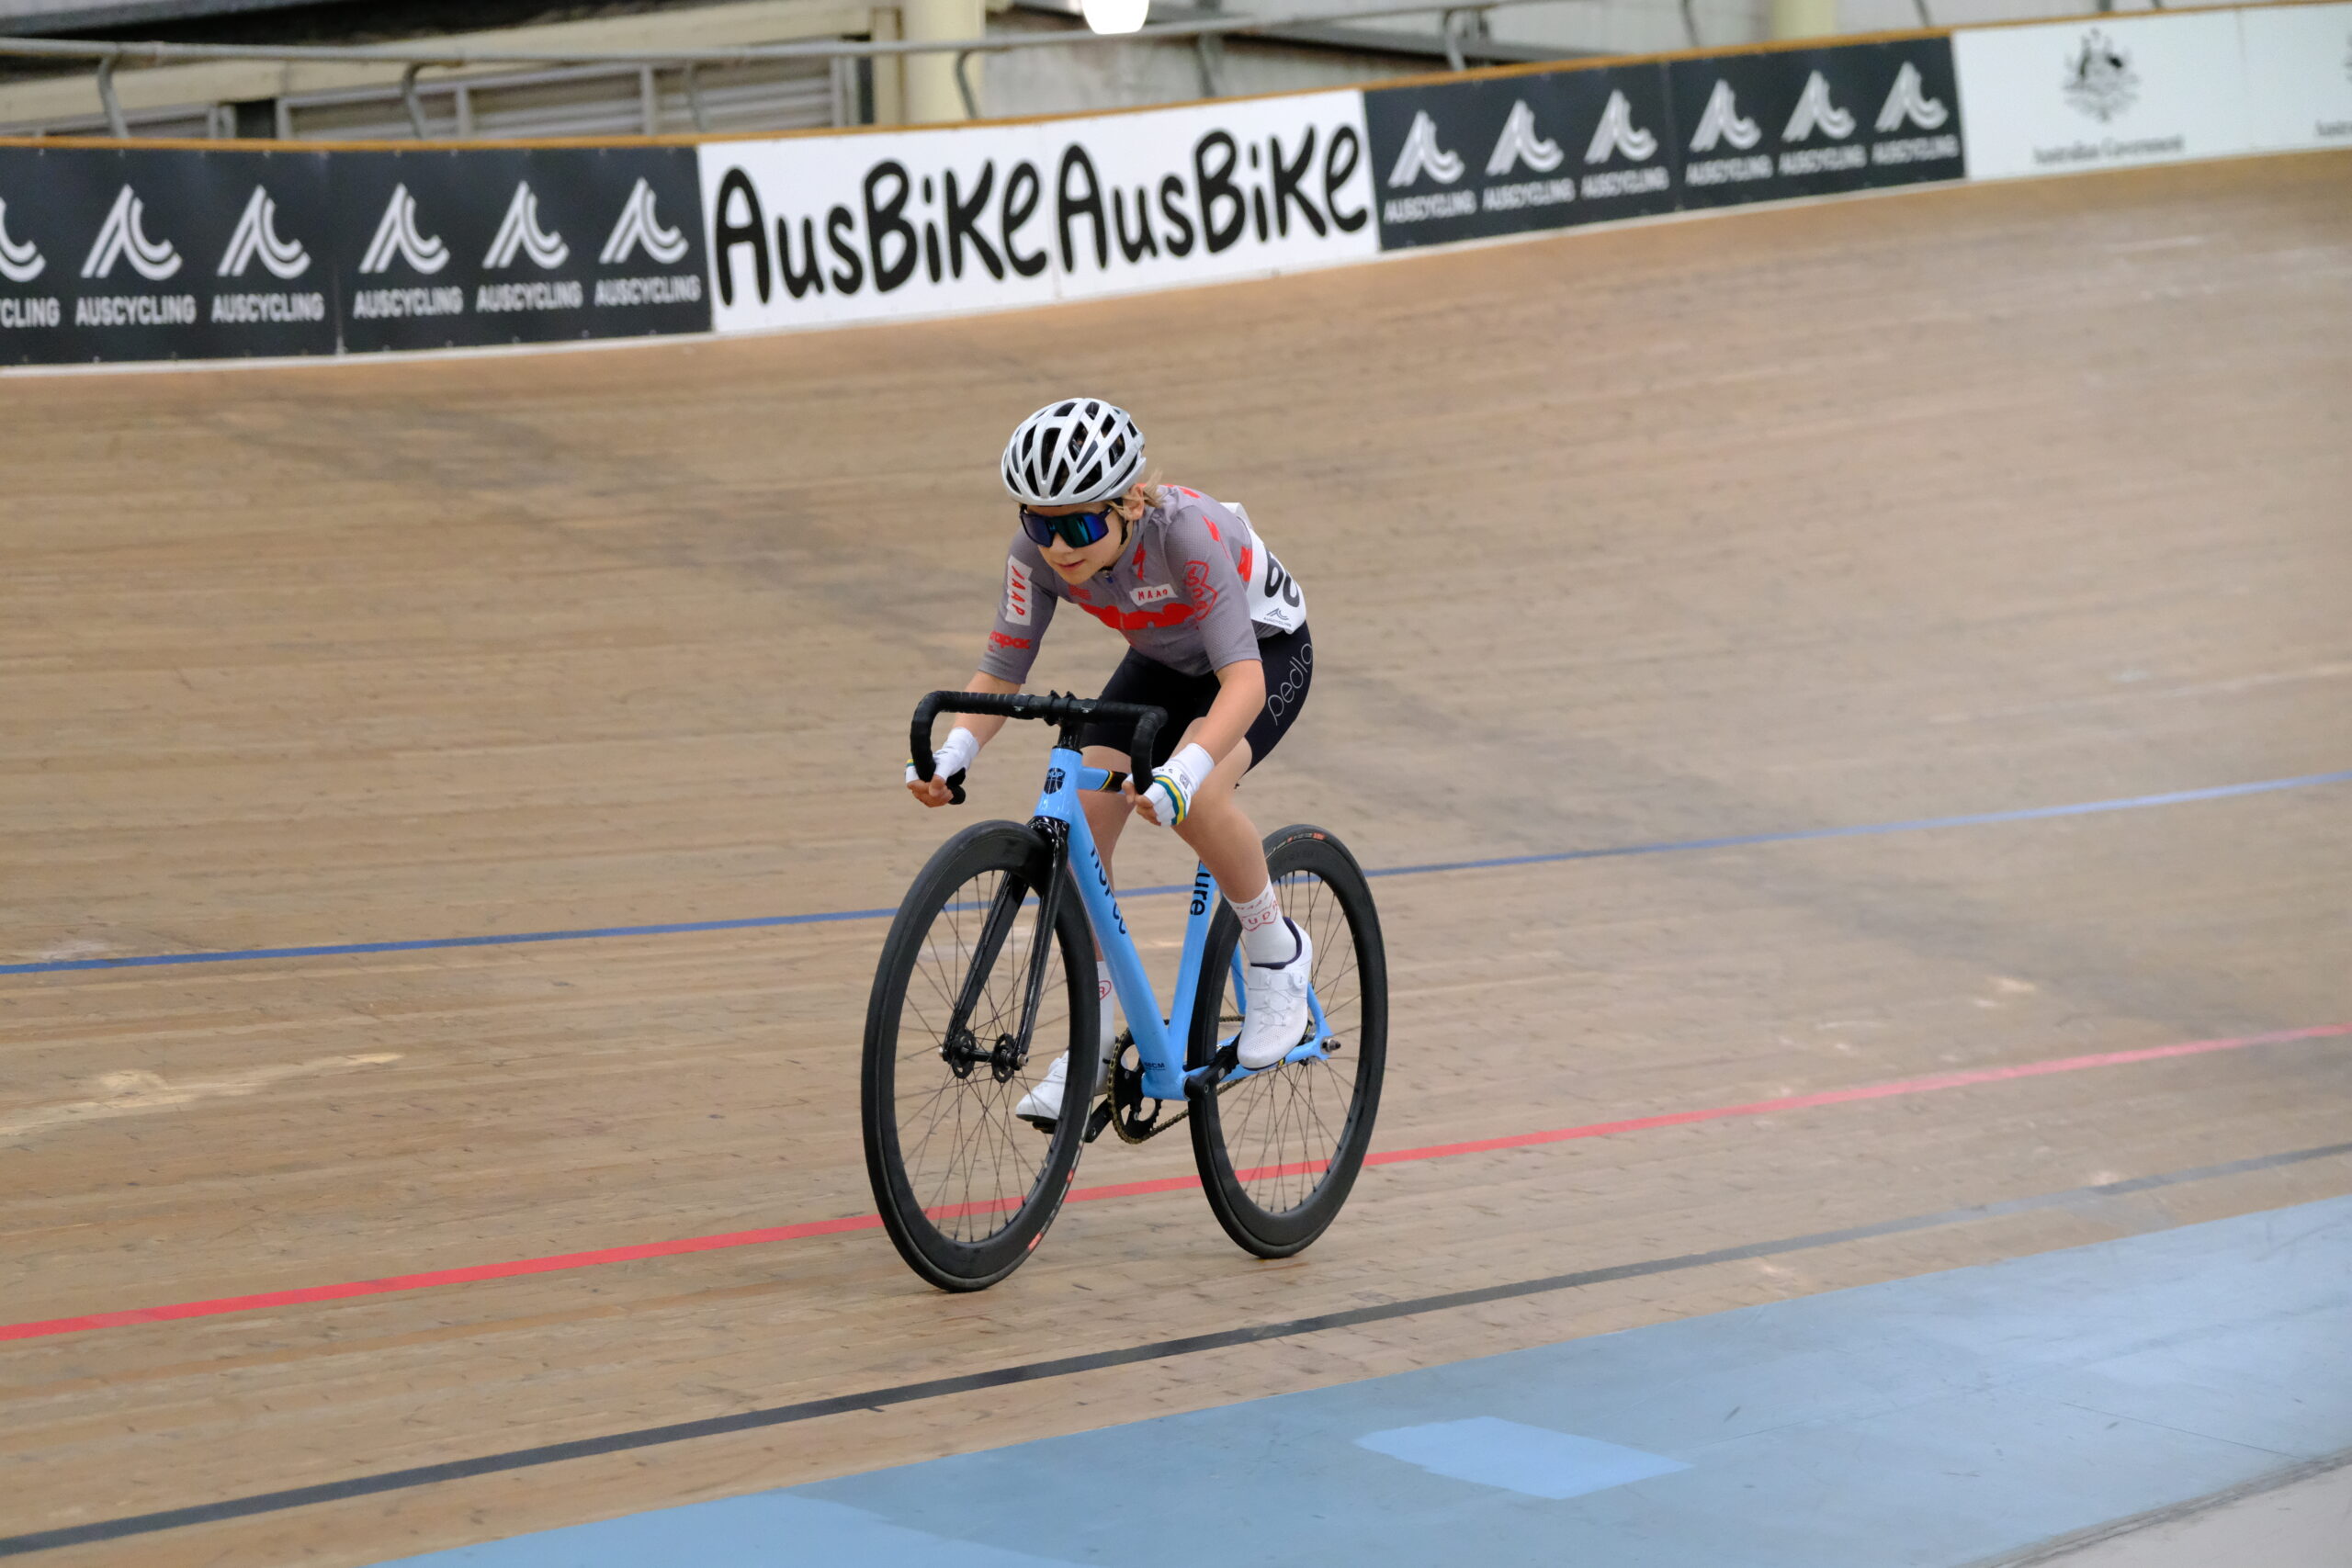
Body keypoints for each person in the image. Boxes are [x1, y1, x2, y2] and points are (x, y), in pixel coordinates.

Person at [906, 398, 1317, 1129]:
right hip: (1163, 661)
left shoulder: (1183, 534)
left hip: (1261, 654)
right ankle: (1093, 1038)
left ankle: (1275, 949)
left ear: (1129, 503)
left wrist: (1186, 770)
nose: (1059, 547)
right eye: (1041, 524)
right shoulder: (1034, 554)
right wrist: (952, 753)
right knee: (1080, 829)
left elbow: (1243, 682)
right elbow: (1001, 670)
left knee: (1201, 799)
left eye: (1079, 527)